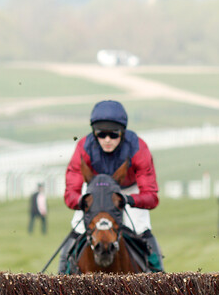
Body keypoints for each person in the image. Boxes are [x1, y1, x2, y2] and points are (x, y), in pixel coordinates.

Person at [57, 100, 164, 273]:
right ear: (94, 133)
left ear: (122, 132)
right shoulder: (83, 147)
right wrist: (81, 200)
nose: (107, 140)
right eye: (101, 134)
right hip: (93, 191)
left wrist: (128, 199)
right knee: (76, 231)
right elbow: (70, 193)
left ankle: (160, 280)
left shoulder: (138, 148)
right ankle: (61, 278)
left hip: (127, 191)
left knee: (143, 231)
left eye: (113, 135)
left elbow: (151, 196)